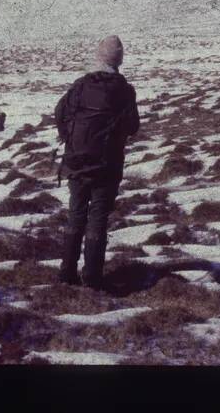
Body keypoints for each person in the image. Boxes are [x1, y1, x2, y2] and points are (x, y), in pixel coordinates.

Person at [54, 35, 140, 289]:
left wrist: (70, 139)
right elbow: (133, 127)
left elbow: (60, 113)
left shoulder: (80, 85)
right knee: (98, 217)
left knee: (76, 214)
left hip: (77, 162)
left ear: (98, 57)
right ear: (119, 60)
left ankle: (67, 273)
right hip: (107, 165)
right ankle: (92, 278)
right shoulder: (125, 90)